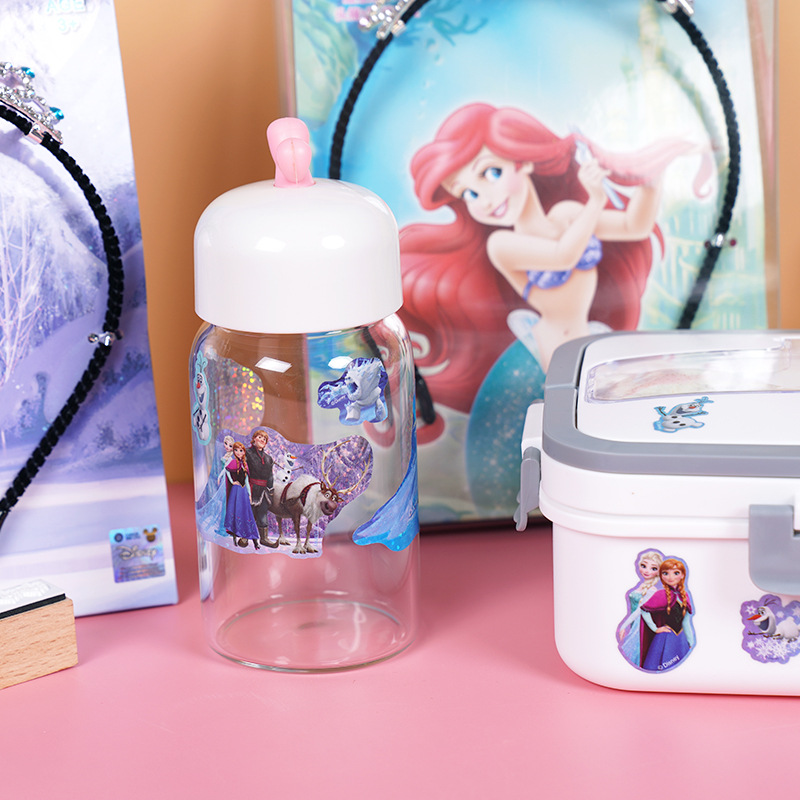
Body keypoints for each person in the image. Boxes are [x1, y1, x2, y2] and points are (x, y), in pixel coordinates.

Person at [400, 103, 706, 420]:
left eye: (492, 173)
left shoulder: (567, 215)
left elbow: (634, 226)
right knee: (562, 423)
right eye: (469, 194)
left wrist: (650, 181)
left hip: (589, 339)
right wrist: (595, 201)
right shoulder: (501, 245)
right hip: (547, 352)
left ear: (523, 163)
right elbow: (563, 256)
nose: (485, 200)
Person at [639, 558, 694, 671]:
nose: (670, 577)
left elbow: (686, 622)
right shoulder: (661, 594)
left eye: (676, 573)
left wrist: (691, 642)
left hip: (681, 639)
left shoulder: (684, 596)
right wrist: (655, 628)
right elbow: (644, 610)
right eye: (665, 573)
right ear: (661, 576)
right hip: (665, 637)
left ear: (682, 575)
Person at [617, 550, 663, 667]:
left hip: (640, 625)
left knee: (635, 651)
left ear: (658, 572)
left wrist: (623, 625)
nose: (647, 571)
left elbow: (640, 610)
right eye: (644, 566)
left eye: (653, 568)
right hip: (634, 623)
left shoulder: (652, 590)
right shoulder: (642, 585)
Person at [223, 442, 260, 550]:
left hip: (243, 491)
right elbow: (227, 470)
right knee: (236, 511)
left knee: (247, 513)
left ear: (244, 452)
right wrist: (232, 481)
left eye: (241, 450)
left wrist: (249, 494)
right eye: (236, 450)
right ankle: (235, 537)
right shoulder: (233, 462)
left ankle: (255, 541)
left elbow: (247, 480)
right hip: (236, 490)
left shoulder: (245, 464)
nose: (238, 452)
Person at [245, 428, 274, 545]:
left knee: (262, 514)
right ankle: (245, 537)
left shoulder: (268, 458)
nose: (262, 440)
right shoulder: (247, 453)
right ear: (254, 439)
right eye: (260, 437)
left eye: (264, 439)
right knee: (249, 512)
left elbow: (270, 476)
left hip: (264, 491)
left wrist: (270, 490)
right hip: (251, 488)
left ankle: (264, 538)